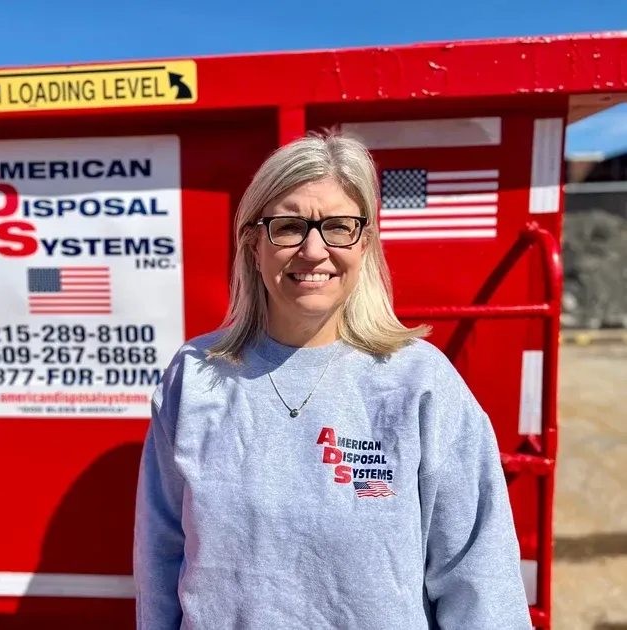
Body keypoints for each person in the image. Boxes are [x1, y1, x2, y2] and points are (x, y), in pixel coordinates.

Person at [133, 131, 532, 629]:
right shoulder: (195, 376)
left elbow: (478, 575)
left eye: (338, 227)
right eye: (290, 226)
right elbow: (159, 555)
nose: (313, 250)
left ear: (364, 243)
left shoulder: (421, 383)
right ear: (254, 243)